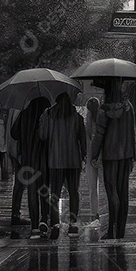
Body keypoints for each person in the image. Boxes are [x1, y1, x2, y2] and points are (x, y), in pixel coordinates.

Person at [89, 78, 136, 240]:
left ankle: (111, 229)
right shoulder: (128, 108)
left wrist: (93, 154)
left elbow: (99, 135)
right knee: (123, 192)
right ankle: (120, 229)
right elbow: (133, 132)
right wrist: (134, 155)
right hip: (126, 155)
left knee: (112, 192)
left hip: (110, 155)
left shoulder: (103, 110)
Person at [39, 93, 87, 237]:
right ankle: (73, 224)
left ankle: (55, 223)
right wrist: (84, 157)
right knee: (74, 192)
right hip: (73, 160)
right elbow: (83, 141)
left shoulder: (50, 116)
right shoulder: (77, 118)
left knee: (55, 193)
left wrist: (43, 119)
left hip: (55, 160)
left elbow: (43, 136)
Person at [13, 97, 51, 240]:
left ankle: (34, 225)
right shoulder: (47, 116)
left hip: (28, 160)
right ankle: (44, 220)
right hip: (43, 160)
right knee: (44, 191)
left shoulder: (24, 114)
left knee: (32, 192)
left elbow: (14, 134)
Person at [84, 97, 102, 225]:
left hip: (90, 156)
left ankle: (94, 213)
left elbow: (85, 141)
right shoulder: (102, 121)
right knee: (103, 187)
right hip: (101, 157)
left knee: (92, 189)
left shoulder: (87, 124)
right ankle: (100, 213)